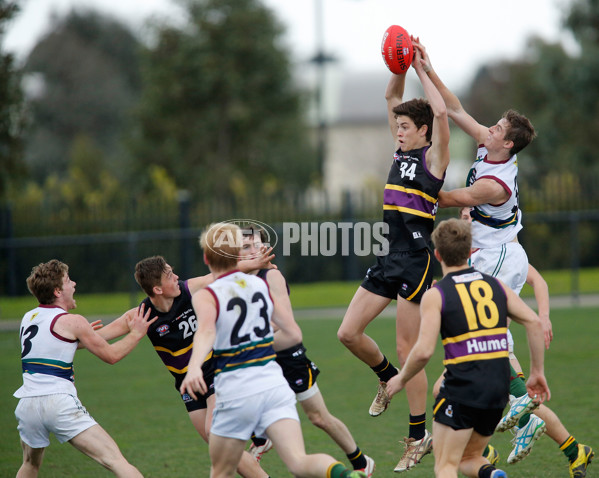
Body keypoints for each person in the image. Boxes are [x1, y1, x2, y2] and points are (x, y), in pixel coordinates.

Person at [419, 36, 594, 475]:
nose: (489, 129)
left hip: (496, 257)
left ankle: (515, 410)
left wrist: (410, 183)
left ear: (508, 146)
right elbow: (456, 109)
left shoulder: (495, 184)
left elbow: (453, 194)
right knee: (493, 350)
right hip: (502, 253)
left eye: (497, 129)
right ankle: (544, 434)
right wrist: (426, 68)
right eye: (494, 125)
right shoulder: (490, 146)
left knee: (482, 340)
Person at [336, 37, 450, 472]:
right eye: (396, 125)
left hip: (417, 260)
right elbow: (391, 95)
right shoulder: (399, 150)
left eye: (405, 126)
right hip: (387, 255)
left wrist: (421, 65)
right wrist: (398, 63)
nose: (398, 129)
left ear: (421, 131)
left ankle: (418, 435)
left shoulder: (433, 159)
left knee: (410, 348)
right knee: (348, 333)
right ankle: (386, 377)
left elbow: (440, 112)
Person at [180, 222, 366, 478]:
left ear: (205, 257)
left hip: (236, 389)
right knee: (299, 461)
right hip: (273, 385)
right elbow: (293, 334)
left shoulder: (205, 295)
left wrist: (193, 369)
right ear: (237, 255)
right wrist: (259, 347)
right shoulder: (259, 286)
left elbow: (206, 332)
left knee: (221, 470)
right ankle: (345, 475)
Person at [385, 218, 551, 478]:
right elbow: (532, 321)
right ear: (469, 249)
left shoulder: (437, 294)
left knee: (446, 466)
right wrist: (536, 372)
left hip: (462, 387)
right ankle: (492, 475)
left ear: (437, 254)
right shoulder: (495, 285)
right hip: (497, 388)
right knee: (469, 458)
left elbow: (424, 350)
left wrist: (401, 378)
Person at [98, 250, 275, 478]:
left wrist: (255, 263)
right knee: (219, 448)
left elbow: (220, 275)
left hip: (216, 370)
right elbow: (99, 337)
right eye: (170, 275)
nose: (176, 277)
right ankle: (259, 441)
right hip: (187, 385)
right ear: (158, 289)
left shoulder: (189, 290)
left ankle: (256, 430)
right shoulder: (142, 316)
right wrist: (75, 335)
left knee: (216, 433)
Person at [239, 227, 375, 477]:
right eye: (245, 247)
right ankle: (261, 438)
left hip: (287, 357)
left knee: (318, 417)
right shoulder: (236, 280)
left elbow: (283, 325)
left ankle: (361, 462)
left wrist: (248, 342)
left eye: (256, 245)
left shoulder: (271, 277)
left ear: (265, 248)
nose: (252, 251)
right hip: (260, 360)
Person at [14, 259, 156, 478]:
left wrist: (83, 334)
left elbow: (56, 343)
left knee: (30, 465)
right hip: (58, 402)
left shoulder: (28, 318)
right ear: (57, 291)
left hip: (27, 404)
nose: (74, 284)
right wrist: (136, 333)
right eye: (69, 281)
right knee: (116, 461)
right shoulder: (73, 322)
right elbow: (112, 356)